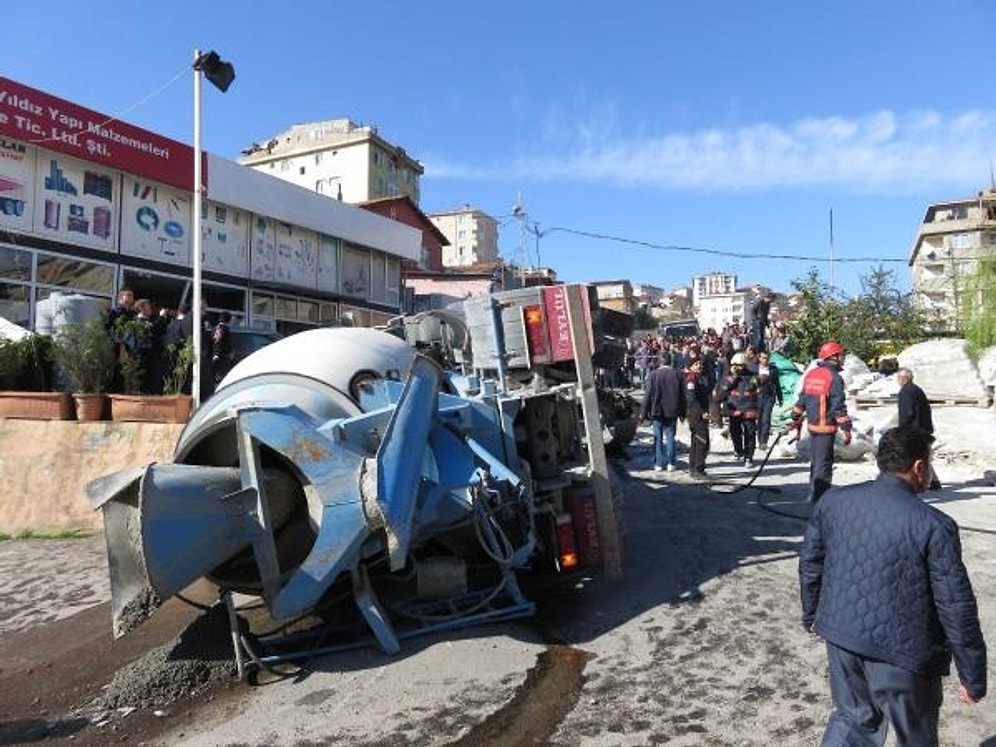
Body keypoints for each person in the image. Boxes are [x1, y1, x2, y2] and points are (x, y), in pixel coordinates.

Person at [799, 426, 987, 746]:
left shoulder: (834, 501)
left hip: (843, 637)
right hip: (905, 653)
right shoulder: (934, 525)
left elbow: (810, 563)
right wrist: (973, 675)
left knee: (851, 719)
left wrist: (813, 614)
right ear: (918, 467)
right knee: (915, 735)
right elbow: (955, 606)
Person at [789, 340, 852, 502]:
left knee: (816, 461)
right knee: (824, 464)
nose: (843, 358)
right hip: (826, 428)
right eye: (841, 355)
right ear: (834, 357)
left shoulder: (811, 374)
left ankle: (812, 493)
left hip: (813, 427)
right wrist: (846, 429)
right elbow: (839, 407)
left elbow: (802, 399)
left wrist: (795, 416)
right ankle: (820, 499)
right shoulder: (835, 378)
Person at [896, 367, 942, 490]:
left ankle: (916, 481)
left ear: (902, 378)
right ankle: (934, 481)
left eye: (898, 378)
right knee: (921, 456)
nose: (897, 381)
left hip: (913, 430)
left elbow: (907, 413)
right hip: (923, 428)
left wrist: (902, 430)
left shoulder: (905, 392)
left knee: (913, 456)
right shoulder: (917, 390)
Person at [639, 354, 686, 472]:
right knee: (670, 437)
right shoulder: (678, 374)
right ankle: (671, 463)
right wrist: (683, 413)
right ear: (671, 362)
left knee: (657, 438)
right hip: (673, 410)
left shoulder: (653, 375)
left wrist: (643, 413)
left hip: (657, 410)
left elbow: (648, 395)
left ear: (660, 362)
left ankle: (658, 464)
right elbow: (683, 396)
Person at [715, 351, 760, 468]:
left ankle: (749, 456)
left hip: (749, 409)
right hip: (734, 410)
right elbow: (722, 392)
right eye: (734, 365)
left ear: (745, 365)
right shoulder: (729, 378)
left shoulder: (753, 377)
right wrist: (733, 377)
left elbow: (758, 389)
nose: (737, 367)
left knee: (750, 433)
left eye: (739, 365)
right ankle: (738, 450)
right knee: (735, 432)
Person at [683, 353, 712, 480]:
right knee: (701, 441)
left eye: (700, 363)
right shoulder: (691, 378)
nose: (699, 366)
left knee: (696, 441)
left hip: (698, 414)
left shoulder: (699, 377)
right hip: (696, 415)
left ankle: (694, 467)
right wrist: (702, 412)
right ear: (690, 366)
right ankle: (698, 468)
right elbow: (691, 399)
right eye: (696, 364)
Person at [752, 349, 783, 451]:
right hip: (757, 397)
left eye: (767, 358)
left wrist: (780, 398)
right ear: (759, 358)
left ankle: (764, 441)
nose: (765, 360)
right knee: (759, 419)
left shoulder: (773, 370)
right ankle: (759, 439)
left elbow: (777, 384)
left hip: (769, 397)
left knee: (766, 419)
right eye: (763, 358)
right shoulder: (754, 369)